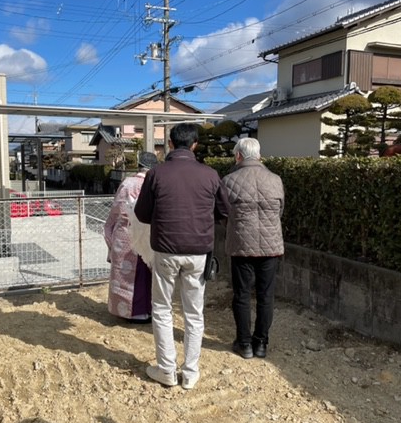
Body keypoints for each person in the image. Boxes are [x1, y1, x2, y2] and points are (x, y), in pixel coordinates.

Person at [134, 123, 230, 390]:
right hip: (198, 252)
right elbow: (224, 212)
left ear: (171, 144)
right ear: (195, 144)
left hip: (165, 249)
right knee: (194, 313)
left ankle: (166, 369)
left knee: (162, 309)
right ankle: (190, 372)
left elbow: (142, 214)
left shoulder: (156, 174)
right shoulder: (210, 175)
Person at [222, 137, 284, 359]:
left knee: (242, 295)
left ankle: (244, 343)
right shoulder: (275, 179)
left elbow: (222, 212)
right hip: (271, 246)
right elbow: (280, 210)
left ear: (238, 155)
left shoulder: (228, 180)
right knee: (266, 296)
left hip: (241, 245)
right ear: (259, 155)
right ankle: (261, 344)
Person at [104, 151, 158, 323]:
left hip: (126, 232)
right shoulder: (155, 182)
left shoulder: (127, 183)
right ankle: (149, 310)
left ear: (139, 165)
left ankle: (128, 311)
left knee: (126, 275)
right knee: (147, 273)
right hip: (148, 233)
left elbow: (117, 210)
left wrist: (110, 231)